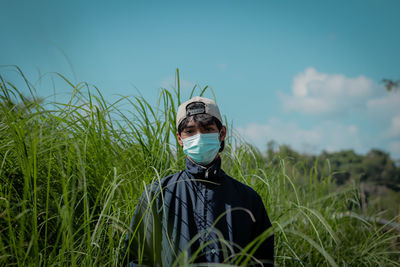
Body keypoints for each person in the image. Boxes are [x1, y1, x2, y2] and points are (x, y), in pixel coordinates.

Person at [122, 96, 274, 266]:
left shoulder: (248, 199)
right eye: (190, 131)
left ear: (222, 133)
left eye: (208, 129)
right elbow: (136, 259)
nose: (199, 137)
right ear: (180, 139)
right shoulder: (158, 194)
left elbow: (263, 261)